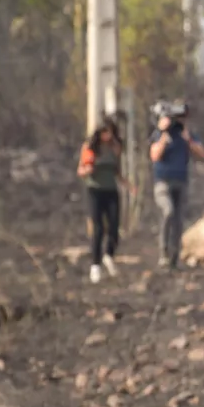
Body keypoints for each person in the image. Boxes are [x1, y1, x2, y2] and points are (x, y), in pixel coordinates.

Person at [148, 100, 204, 269]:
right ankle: (163, 253)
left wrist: (189, 141)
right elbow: (154, 155)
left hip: (181, 181)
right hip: (163, 182)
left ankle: (174, 258)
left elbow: (202, 153)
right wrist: (163, 133)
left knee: (179, 221)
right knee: (168, 212)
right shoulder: (160, 133)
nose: (179, 120)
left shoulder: (186, 133)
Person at [77, 117, 129, 284]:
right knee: (98, 228)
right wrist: (87, 169)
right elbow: (81, 170)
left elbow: (116, 169)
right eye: (105, 132)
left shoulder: (115, 147)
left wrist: (127, 184)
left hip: (111, 189)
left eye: (111, 132)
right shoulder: (90, 147)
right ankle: (95, 265)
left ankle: (109, 255)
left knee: (114, 226)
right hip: (95, 190)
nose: (108, 136)